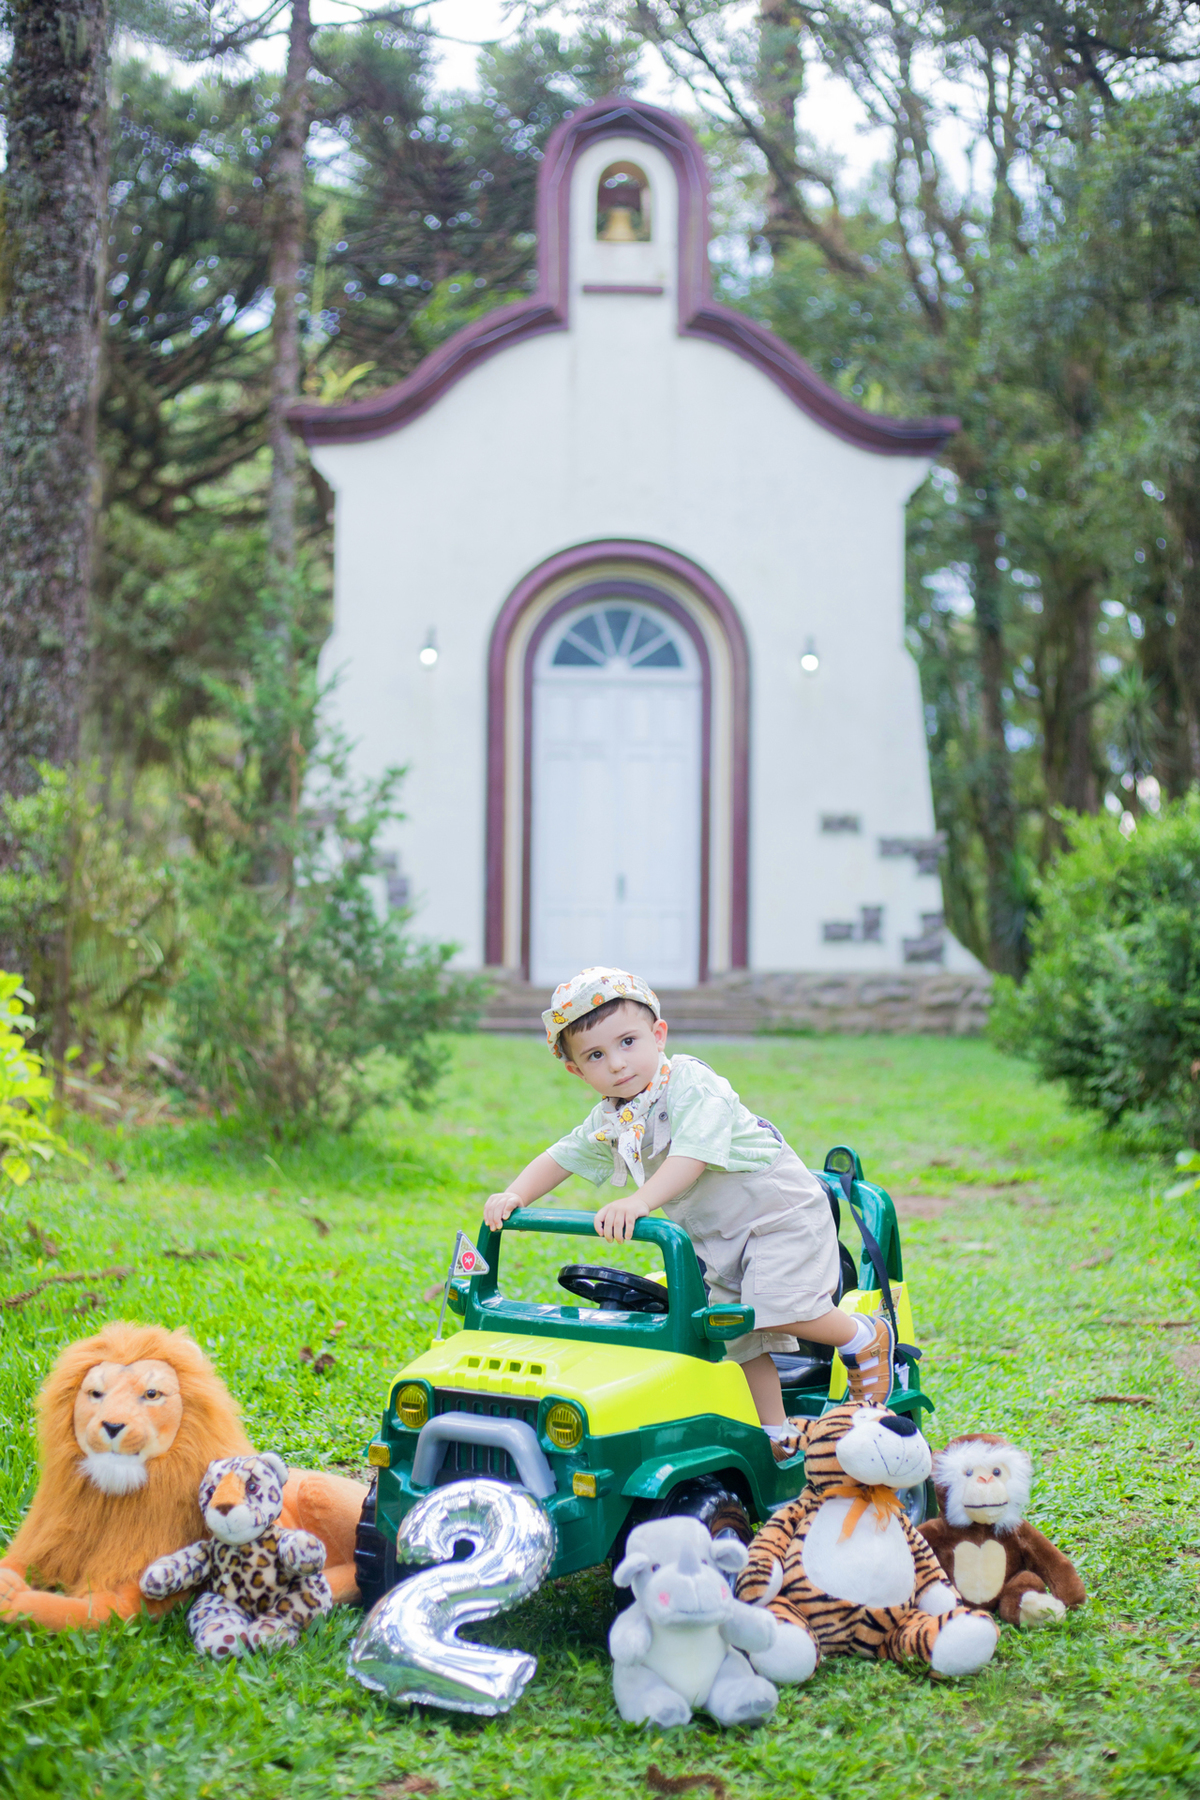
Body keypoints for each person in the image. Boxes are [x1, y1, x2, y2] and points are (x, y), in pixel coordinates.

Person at [483, 966, 894, 1458]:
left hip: (777, 1214)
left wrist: (639, 1201)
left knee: (777, 1306)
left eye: (628, 1042)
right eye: (596, 1055)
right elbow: (563, 1155)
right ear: (577, 1071)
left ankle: (863, 1336)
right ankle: (776, 1431)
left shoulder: (692, 1084)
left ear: (658, 1034)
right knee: (734, 1331)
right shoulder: (613, 1116)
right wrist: (515, 1195)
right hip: (716, 1238)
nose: (617, 1063)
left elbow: (691, 1157)